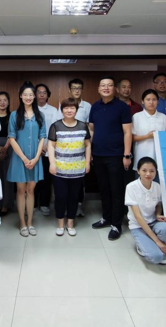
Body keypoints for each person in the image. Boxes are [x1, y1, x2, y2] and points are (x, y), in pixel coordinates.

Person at [89, 76, 133, 241]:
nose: (106, 88)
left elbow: (127, 132)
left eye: (109, 85)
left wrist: (126, 154)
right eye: (103, 85)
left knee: (116, 190)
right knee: (104, 189)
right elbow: (92, 130)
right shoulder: (95, 107)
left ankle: (116, 224)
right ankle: (106, 217)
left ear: (115, 89)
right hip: (98, 155)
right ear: (98, 89)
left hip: (116, 155)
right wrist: (90, 151)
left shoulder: (122, 107)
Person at [47, 97, 91, 236]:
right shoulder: (56, 126)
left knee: (74, 197)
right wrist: (52, 163)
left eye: (72, 108)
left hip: (78, 169)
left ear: (76, 110)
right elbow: (51, 145)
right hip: (59, 169)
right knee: (60, 197)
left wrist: (87, 163)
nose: (69, 110)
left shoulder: (83, 126)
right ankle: (61, 224)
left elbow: (88, 145)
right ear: (62, 110)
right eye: (66, 108)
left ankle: (70, 223)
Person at [7, 82, 47, 237]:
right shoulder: (14, 115)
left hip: (35, 158)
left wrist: (36, 158)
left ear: (34, 96)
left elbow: (42, 137)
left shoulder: (40, 115)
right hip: (19, 158)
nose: (28, 97)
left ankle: (30, 222)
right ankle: (22, 223)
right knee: (20, 190)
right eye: (25, 94)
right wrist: (24, 158)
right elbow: (11, 138)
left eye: (31, 94)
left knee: (31, 190)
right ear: (21, 96)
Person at [125, 157, 166, 264]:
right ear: (138, 171)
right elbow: (138, 217)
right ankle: (143, 245)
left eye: (152, 171)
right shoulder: (131, 187)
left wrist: (157, 214)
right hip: (138, 226)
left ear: (156, 172)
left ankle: (149, 241)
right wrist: (158, 242)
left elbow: (158, 204)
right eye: (144, 170)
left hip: (153, 222)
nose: (148, 174)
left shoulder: (157, 186)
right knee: (156, 257)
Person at [64, 79, 91, 216]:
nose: (76, 90)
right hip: (66, 149)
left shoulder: (87, 106)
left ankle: (79, 205)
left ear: (82, 90)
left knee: (80, 180)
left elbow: (90, 128)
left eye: (79, 88)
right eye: (74, 88)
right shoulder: (65, 105)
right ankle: (67, 206)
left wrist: (89, 150)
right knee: (66, 180)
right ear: (70, 90)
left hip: (81, 149)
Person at [34, 83, 60, 216]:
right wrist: (37, 146)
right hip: (33, 150)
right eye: (39, 92)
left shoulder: (53, 110)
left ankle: (44, 204)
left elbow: (55, 129)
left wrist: (45, 146)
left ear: (48, 95)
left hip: (47, 149)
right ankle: (33, 204)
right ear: (35, 95)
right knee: (33, 178)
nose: (42, 95)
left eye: (44, 92)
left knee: (45, 179)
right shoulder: (30, 109)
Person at [132, 88, 166, 172]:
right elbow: (132, 138)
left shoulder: (163, 117)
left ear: (158, 101)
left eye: (154, 99)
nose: (151, 102)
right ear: (142, 101)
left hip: (159, 157)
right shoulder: (137, 117)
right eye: (148, 100)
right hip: (141, 155)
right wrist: (147, 136)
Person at [0, 91, 15, 216]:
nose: (2, 102)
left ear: (8, 102)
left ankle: (6, 204)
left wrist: (5, 148)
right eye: (0, 100)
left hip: (10, 146)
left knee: (8, 176)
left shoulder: (12, 116)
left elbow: (13, 133)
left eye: (5, 100)